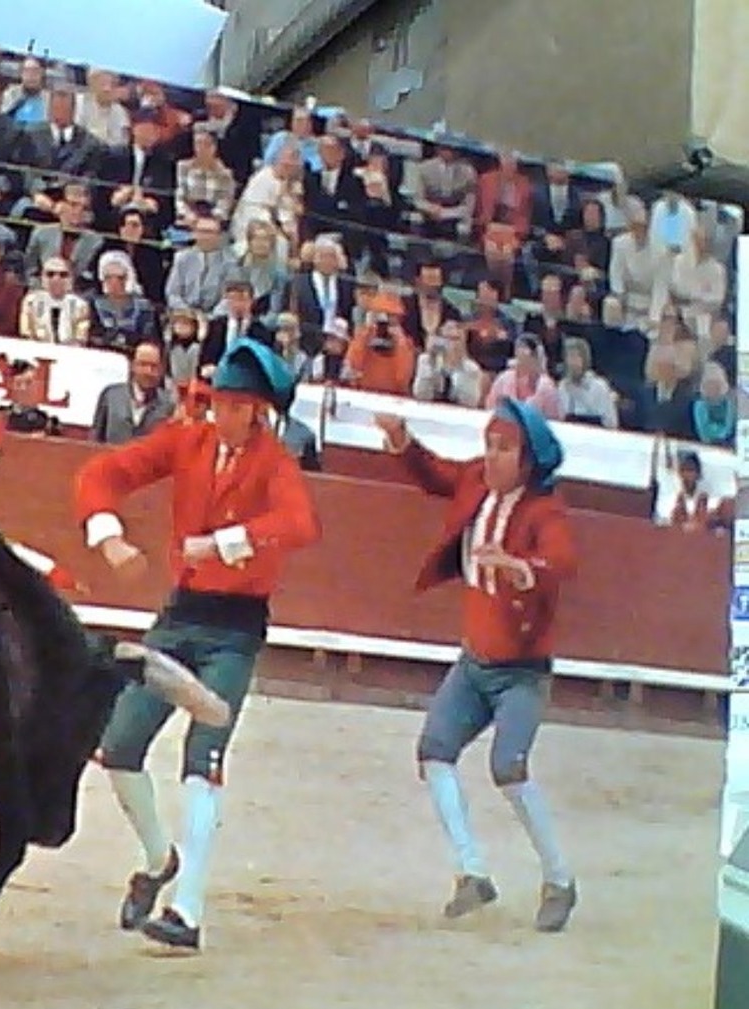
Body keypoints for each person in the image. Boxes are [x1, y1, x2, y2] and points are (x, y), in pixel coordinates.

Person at [74, 338, 322, 950]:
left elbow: (299, 526)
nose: (219, 412)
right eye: (215, 400)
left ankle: (187, 912)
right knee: (118, 746)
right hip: (180, 618)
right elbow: (103, 473)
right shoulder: (189, 440)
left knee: (202, 759)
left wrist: (224, 543)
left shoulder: (276, 463)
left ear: (257, 411)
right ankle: (161, 861)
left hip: (235, 629)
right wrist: (107, 536)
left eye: (233, 404)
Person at [372, 401, 580, 932]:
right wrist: (403, 442)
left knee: (509, 769)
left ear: (529, 460)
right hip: (475, 661)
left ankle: (559, 879)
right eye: (489, 443)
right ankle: (472, 873)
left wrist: (519, 569)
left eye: (504, 447)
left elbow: (561, 562)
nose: (490, 455)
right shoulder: (475, 480)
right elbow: (434, 474)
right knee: (434, 753)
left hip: (523, 670)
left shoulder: (544, 510)